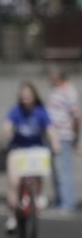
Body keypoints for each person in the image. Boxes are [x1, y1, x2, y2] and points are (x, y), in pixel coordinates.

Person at [2, 82, 60, 233]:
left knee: (42, 168)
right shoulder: (16, 111)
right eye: (23, 96)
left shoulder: (41, 112)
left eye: (29, 96)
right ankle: (12, 216)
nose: (26, 99)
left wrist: (55, 144)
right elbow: (7, 125)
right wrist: (8, 132)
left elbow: (50, 130)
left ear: (34, 96)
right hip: (18, 150)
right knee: (14, 182)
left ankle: (39, 194)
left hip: (35, 151)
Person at [47, 68, 80, 213]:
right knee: (56, 170)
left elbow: (76, 116)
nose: (49, 78)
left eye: (51, 75)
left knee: (64, 170)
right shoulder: (55, 90)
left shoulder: (69, 91)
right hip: (53, 135)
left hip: (64, 135)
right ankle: (60, 199)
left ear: (58, 76)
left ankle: (68, 202)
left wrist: (75, 136)